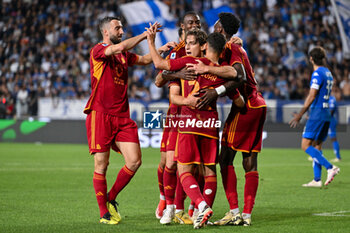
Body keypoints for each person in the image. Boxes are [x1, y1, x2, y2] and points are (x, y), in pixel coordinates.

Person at [147, 26, 244, 228]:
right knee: (209, 171)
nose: (188, 46)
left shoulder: (190, 62)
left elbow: (158, 63)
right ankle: (199, 211)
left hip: (189, 123)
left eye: (192, 43)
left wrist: (151, 41)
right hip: (210, 124)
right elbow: (236, 77)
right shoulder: (218, 68)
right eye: (187, 43)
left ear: (204, 45)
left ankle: (200, 206)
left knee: (183, 170)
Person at [83, 16, 174, 225]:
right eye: (118, 28)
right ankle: (103, 212)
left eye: (122, 28)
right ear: (106, 31)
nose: (121, 31)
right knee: (101, 164)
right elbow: (117, 48)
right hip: (100, 114)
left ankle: (111, 197)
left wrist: (160, 50)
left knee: (134, 161)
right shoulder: (98, 50)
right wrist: (145, 35)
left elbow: (143, 60)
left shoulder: (124, 54)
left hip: (122, 116)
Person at [187, 13, 266, 226]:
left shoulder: (232, 49)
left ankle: (234, 212)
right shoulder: (232, 47)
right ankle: (246, 215)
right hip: (257, 103)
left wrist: (216, 91)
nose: (213, 26)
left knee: (224, 159)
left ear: (221, 29)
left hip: (246, 105)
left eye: (216, 24)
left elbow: (238, 76)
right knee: (249, 160)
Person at [154, 11, 201, 225]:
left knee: (195, 165)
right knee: (168, 163)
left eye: (197, 23)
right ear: (182, 25)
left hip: (199, 113)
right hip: (177, 112)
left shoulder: (204, 47)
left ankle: (186, 207)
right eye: (190, 22)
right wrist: (177, 75)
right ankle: (166, 202)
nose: (194, 25)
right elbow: (158, 80)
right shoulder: (177, 51)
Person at [290, 46, 340, 187]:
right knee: (317, 146)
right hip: (326, 114)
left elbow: (312, 95)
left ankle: (330, 167)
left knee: (305, 145)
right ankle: (317, 180)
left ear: (311, 59)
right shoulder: (328, 72)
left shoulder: (318, 73)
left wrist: (300, 114)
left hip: (317, 113)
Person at [328, 94, 342, 162]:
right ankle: (315, 155)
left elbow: (331, 111)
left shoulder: (331, 98)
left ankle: (338, 157)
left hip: (330, 121)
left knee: (333, 138)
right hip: (326, 120)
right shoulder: (325, 98)